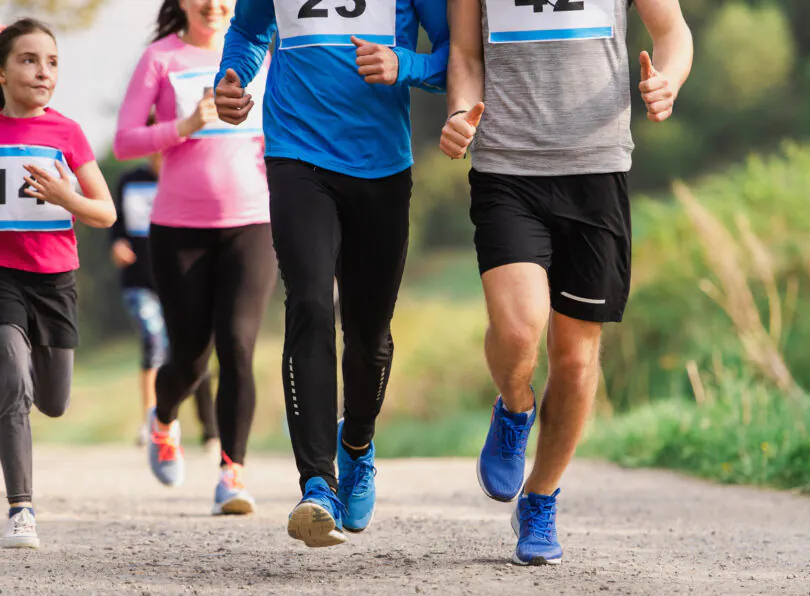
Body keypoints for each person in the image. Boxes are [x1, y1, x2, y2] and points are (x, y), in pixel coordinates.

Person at [440, 0, 692, 565]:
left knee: (576, 359)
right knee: (518, 329)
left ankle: (540, 497)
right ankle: (514, 407)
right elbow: (465, 53)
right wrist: (459, 112)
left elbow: (673, 32)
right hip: (507, 168)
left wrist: (668, 81)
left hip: (597, 169)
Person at [214, 0, 449, 546]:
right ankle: (317, 484)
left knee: (369, 335)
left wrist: (404, 65)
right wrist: (232, 79)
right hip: (296, 154)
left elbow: (453, 57)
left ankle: (357, 444)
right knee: (310, 303)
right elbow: (248, 31)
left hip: (380, 165)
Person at [114, 0, 276, 516]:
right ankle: (163, 419)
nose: (213, 4)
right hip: (179, 228)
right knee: (189, 357)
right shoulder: (160, 58)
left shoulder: (264, 54)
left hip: (253, 222)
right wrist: (183, 125)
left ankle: (233, 473)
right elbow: (124, 141)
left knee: (238, 345)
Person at [0, 19, 116, 548]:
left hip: (54, 280)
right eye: (28, 59)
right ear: (3, 72)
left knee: (53, 401)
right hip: (4, 277)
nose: (42, 71)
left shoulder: (66, 133)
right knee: (12, 378)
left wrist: (66, 197)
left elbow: (105, 213)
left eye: (51, 61)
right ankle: (21, 509)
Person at [110, 114, 220, 454]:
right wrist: (117, 244)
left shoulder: (189, 178)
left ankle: (210, 429)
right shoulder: (129, 181)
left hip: (182, 278)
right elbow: (116, 225)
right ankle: (151, 418)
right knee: (154, 339)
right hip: (140, 281)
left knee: (193, 349)